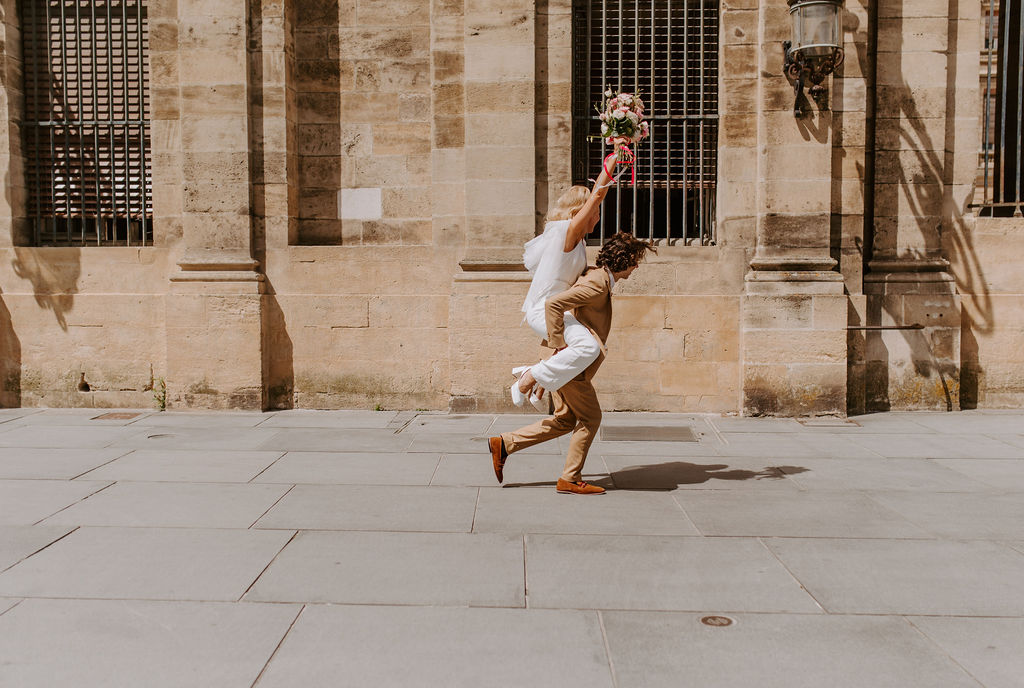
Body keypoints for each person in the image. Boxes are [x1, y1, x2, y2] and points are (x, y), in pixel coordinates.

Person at [489, 232, 656, 494]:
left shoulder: (597, 276)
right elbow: (554, 305)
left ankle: (505, 443)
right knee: (591, 418)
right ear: (624, 261)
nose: (636, 267)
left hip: (567, 363)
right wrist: (560, 346)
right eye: (635, 261)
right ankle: (570, 479)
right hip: (572, 367)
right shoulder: (597, 284)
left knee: (565, 420)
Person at [511, 138, 631, 410]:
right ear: (580, 212)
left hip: (557, 311)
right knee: (588, 348)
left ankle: (536, 381)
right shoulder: (568, 234)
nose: (597, 216)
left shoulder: (576, 242)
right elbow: (598, 193)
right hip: (544, 311)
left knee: (582, 349)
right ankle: (529, 377)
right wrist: (616, 155)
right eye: (595, 211)